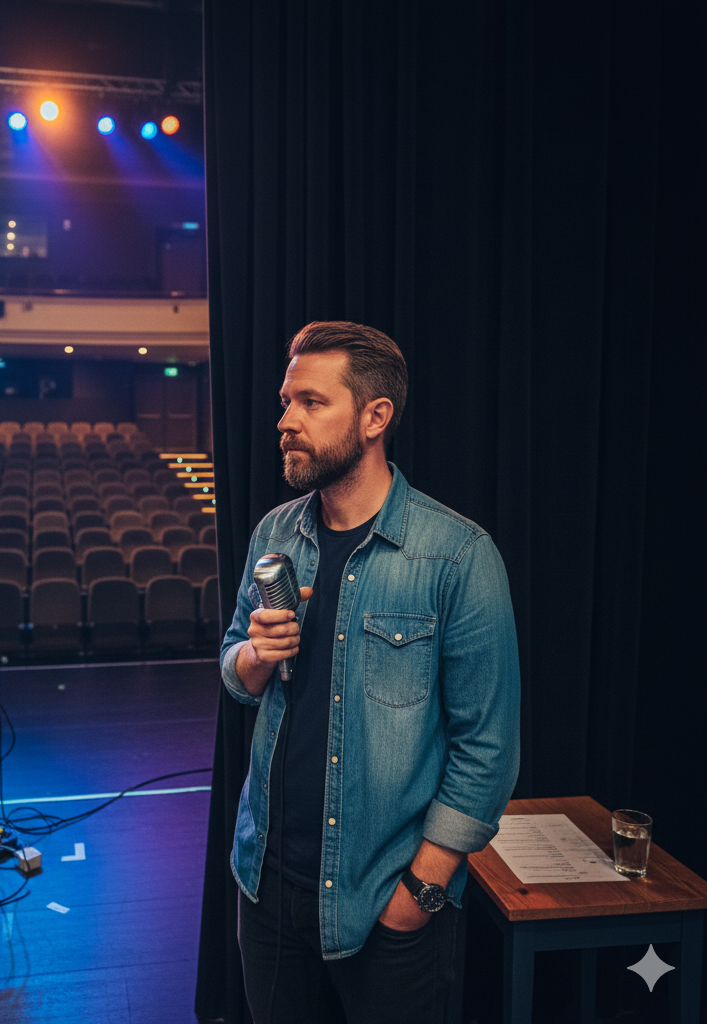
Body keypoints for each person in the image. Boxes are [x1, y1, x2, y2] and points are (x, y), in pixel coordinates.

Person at [221, 322, 520, 1024]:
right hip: (264, 889)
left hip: (384, 901)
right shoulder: (274, 534)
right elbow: (234, 674)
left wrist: (420, 893)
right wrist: (255, 655)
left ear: (375, 417)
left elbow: (488, 749)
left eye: (310, 403)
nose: (284, 421)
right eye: (285, 401)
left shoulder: (458, 556)